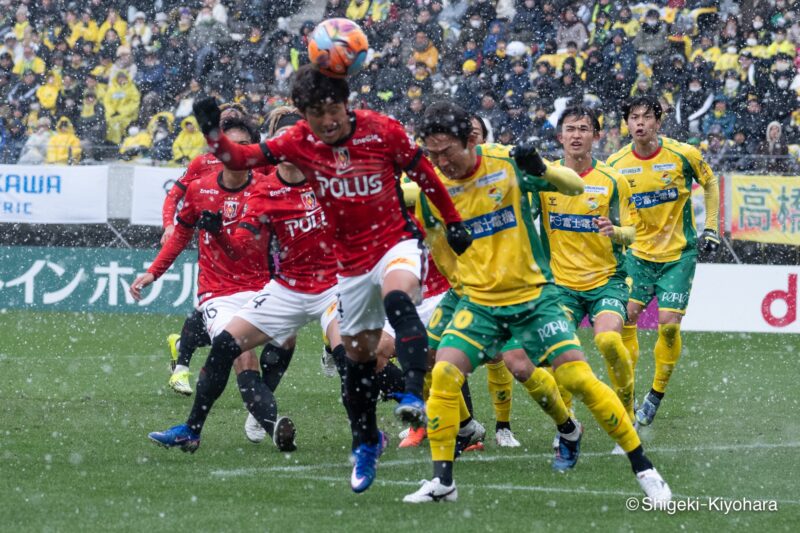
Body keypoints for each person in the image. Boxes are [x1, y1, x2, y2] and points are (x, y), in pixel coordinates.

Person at [192, 65, 471, 493]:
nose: (329, 120)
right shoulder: (299, 142)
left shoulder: (383, 131)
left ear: (346, 102)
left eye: (334, 108)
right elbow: (240, 159)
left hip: (394, 242)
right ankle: (366, 441)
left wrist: (451, 221)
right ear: (305, 113)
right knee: (358, 361)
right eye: (317, 112)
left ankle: (414, 396)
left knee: (400, 296)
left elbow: (423, 174)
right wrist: (213, 133)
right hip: (351, 265)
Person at [402, 100, 671, 504]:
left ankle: (644, 468)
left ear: (472, 139)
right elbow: (406, 208)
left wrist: (541, 169)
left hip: (534, 297)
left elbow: (576, 187)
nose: (441, 162)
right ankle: (444, 482)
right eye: (432, 153)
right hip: (479, 303)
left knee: (577, 378)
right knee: (442, 373)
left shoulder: (506, 164)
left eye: (447, 152)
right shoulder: (430, 186)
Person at [148, 106, 347, 452]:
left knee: (346, 356)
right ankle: (240, 421)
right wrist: (155, 267)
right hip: (227, 291)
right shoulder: (242, 187)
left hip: (301, 284)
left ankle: (374, 427)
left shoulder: (304, 176)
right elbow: (214, 238)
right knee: (235, 351)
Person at [133, 117, 298, 452]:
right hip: (218, 293)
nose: (232, 153)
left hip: (264, 287)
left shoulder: (267, 186)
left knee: (288, 340)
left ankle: (256, 405)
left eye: (240, 147)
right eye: (226, 147)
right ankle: (273, 425)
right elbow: (180, 235)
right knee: (242, 354)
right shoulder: (200, 188)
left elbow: (251, 243)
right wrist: (154, 271)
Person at [607, 95, 720, 426]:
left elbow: (710, 183)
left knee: (668, 325)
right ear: (626, 123)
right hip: (637, 256)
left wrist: (710, 227)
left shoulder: (683, 155)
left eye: (646, 117)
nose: (639, 122)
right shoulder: (615, 164)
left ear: (658, 122)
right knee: (625, 318)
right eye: (633, 117)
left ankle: (655, 395)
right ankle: (626, 396)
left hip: (677, 256)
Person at [535, 105, 638, 454]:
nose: (576, 134)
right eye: (570, 129)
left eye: (584, 128)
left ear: (596, 135)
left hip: (607, 280)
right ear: (560, 136)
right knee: (557, 355)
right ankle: (567, 425)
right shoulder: (546, 179)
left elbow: (633, 232)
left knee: (608, 342)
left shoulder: (612, 180)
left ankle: (627, 415)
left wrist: (616, 232)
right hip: (560, 285)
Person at [159, 103, 266, 396]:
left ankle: (181, 345)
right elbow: (174, 196)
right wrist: (169, 224)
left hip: (249, 252)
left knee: (232, 327)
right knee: (208, 311)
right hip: (214, 251)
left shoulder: (256, 163)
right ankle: (181, 369)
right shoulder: (202, 163)